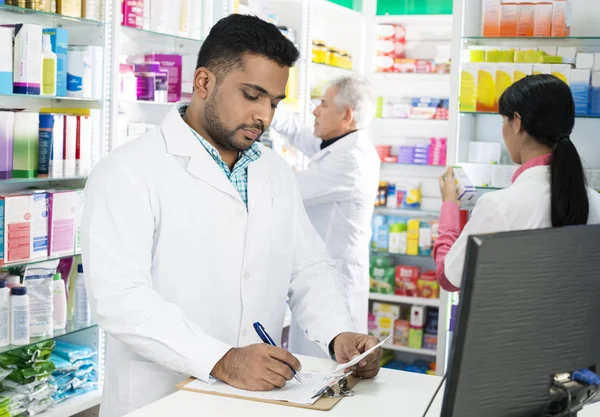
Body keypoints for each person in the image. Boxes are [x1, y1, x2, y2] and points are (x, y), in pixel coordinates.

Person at [81, 15, 381, 417]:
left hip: (257, 397)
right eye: (252, 95)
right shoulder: (127, 170)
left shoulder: (274, 171)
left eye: (274, 102)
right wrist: (222, 359)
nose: (265, 116)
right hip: (160, 398)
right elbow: (119, 297)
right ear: (204, 82)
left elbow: (308, 267)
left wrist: (338, 333)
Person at [434, 74, 600, 291]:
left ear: (517, 123)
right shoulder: (595, 202)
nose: (503, 128)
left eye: (503, 120)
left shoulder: (499, 206)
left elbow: (449, 277)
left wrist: (450, 206)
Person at [269, 76, 380, 356]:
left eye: (323, 104)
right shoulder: (341, 143)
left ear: (346, 115)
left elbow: (284, 189)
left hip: (334, 283)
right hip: (319, 275)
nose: (315, 111)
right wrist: (266, 104)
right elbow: (300, 132)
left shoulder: (350, 160)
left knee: (328, 369)